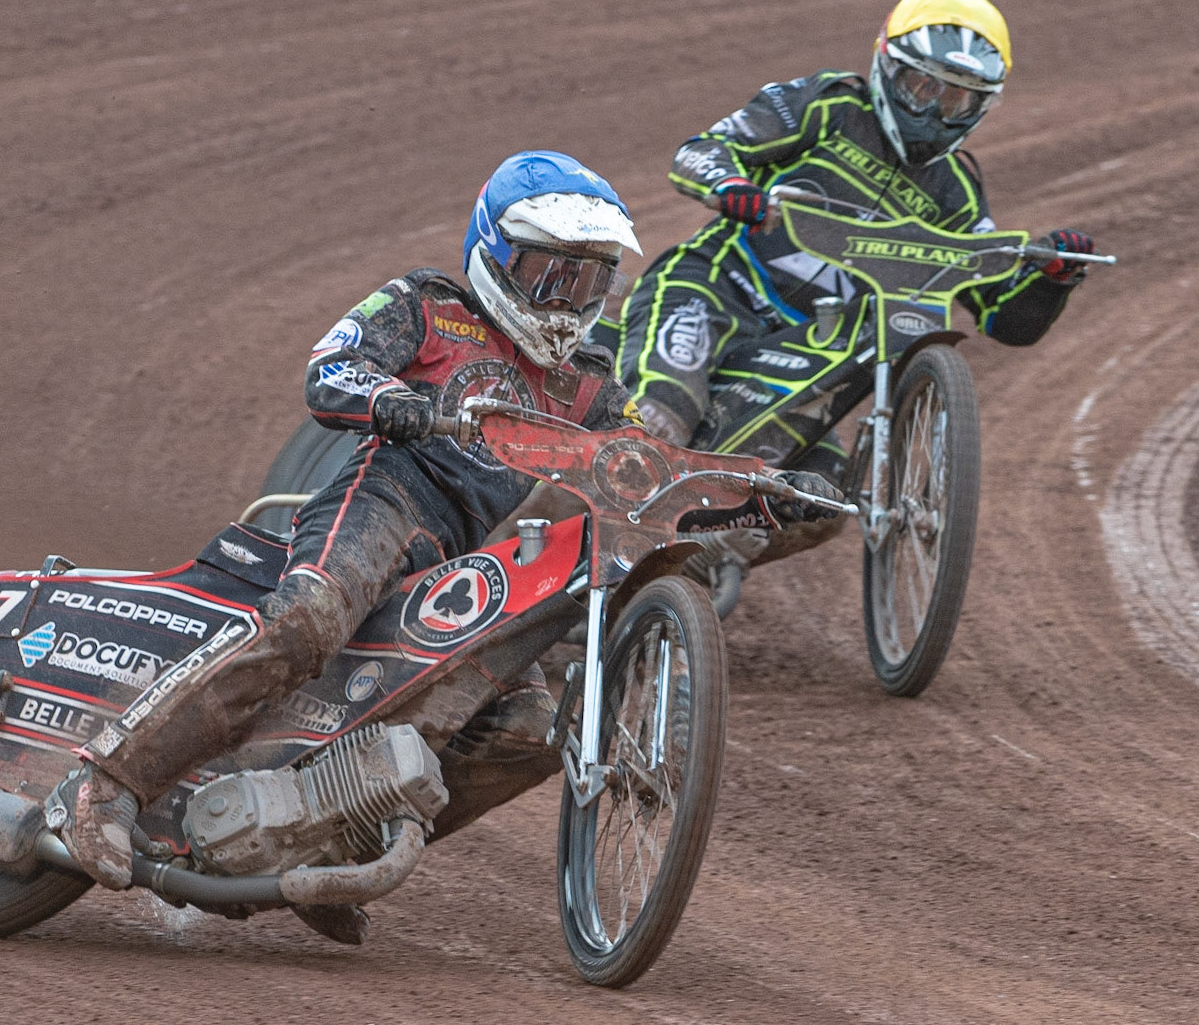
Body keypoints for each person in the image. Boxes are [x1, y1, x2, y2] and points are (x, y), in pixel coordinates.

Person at [46, 150, 817, 943]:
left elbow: (637, 464)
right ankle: (105, 783)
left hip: (467, 554)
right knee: (311, 615)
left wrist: (749, 488)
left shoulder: (586, 380)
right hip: (386, 499)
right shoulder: (429, 305)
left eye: (586, 280)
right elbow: (331, 365)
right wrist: (391, 398)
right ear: (494, 251)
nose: (565, 299)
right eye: (548, 273)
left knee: (529, 732)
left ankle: (332, 844)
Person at [592, 0, 1099, 581]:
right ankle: (570, 555)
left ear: (984, 106)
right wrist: (731, 187)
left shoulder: (956, 190)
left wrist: (1052, 280)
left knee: (820, 500)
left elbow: (1001, 316)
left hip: (810, 349)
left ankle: (677, 579)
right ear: (889, 66)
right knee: (659, 422)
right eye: (924, 87)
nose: (936, 112)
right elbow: (703, 149)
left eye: (958, 100)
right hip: (713, 292)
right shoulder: (827, 105)